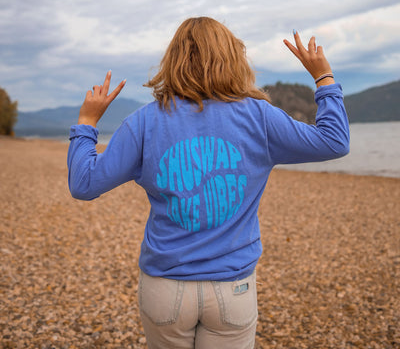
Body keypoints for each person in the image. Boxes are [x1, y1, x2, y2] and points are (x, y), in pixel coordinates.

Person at [67, 17, 349, 349]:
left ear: (173, 60)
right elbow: (335, 141)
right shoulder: (259, 116)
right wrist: (323, 78)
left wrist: (87, 121)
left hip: (165, 287)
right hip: (233, 289)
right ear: (233, 58)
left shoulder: (143, 122)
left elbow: (84, 183)